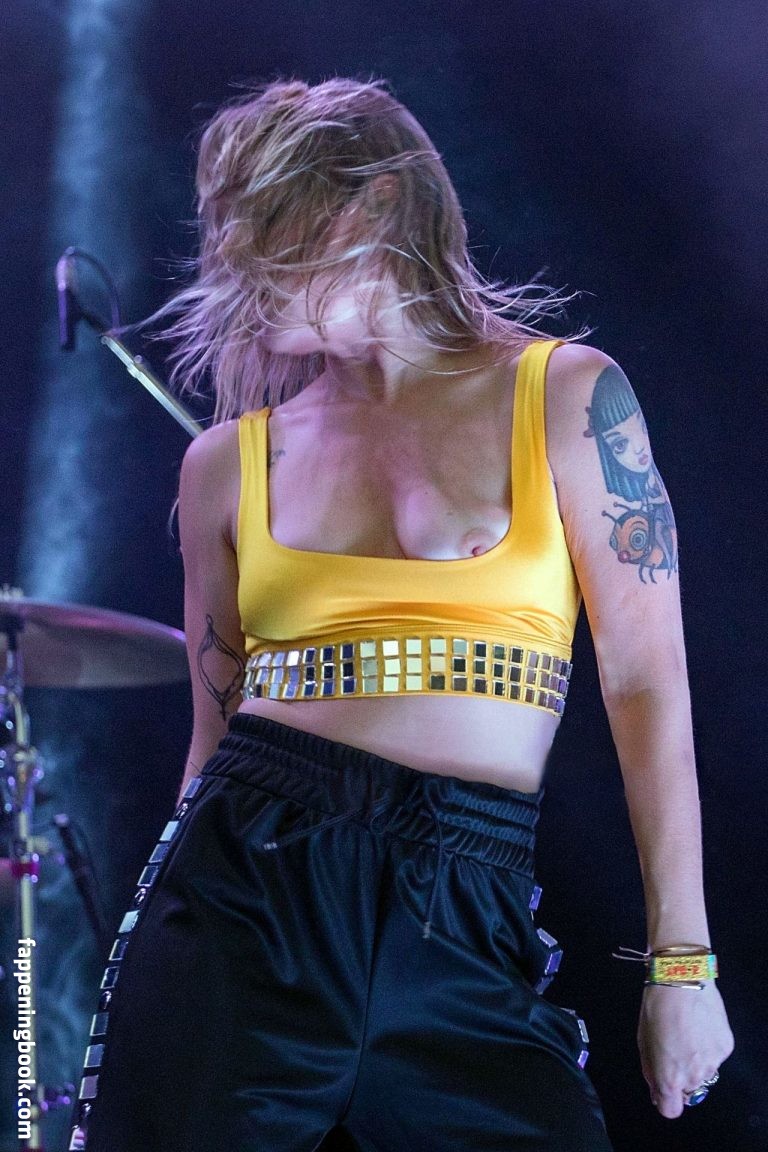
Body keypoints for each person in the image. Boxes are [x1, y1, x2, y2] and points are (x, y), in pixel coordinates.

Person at [69, 77, 733, 1152]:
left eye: (263, 216)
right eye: (224, 223)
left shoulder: (569, 396)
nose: (231, 253)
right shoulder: (225, 465)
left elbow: (648, 683)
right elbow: (211, 738)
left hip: (465, 906)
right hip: (244, 891)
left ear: (375, 201)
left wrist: (683, 965)